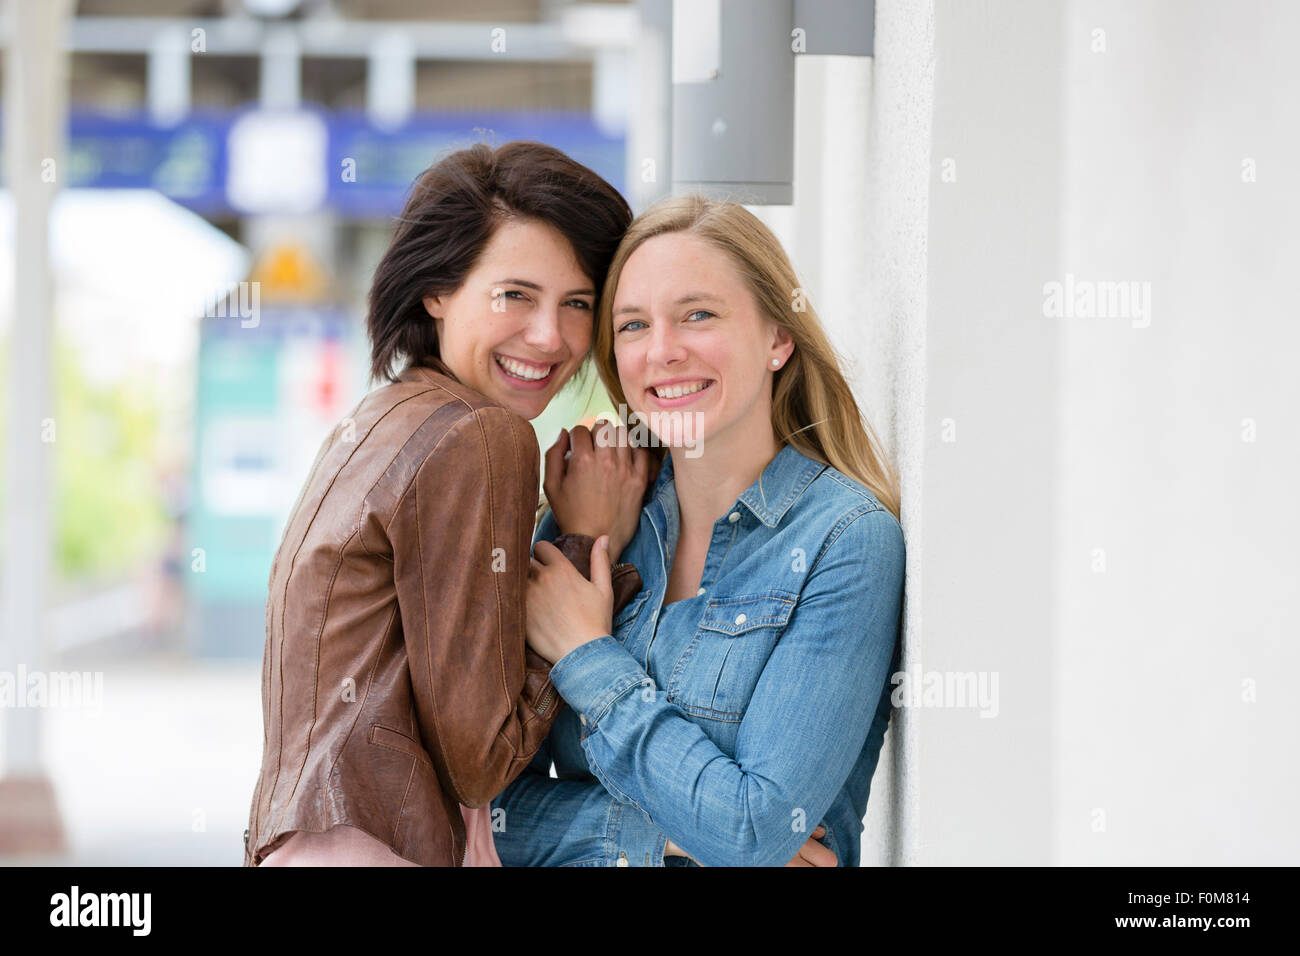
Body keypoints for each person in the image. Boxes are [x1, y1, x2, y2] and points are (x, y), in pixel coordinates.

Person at [244, 141, 647, 867]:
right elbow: (481, 760)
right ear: (438, 290)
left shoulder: (379, 419)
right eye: (515, 295)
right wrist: (587, 540)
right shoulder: (482, 436)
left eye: (578, 303)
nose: (550, 336)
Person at [493, 195, 905, 867]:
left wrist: (586, 651)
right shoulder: (600, 522)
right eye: (632, 326)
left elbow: (753, 830)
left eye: (699, 315)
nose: (662, 352)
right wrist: (664, 835)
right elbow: (487, 812)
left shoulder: (844, 541)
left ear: (778, 337)